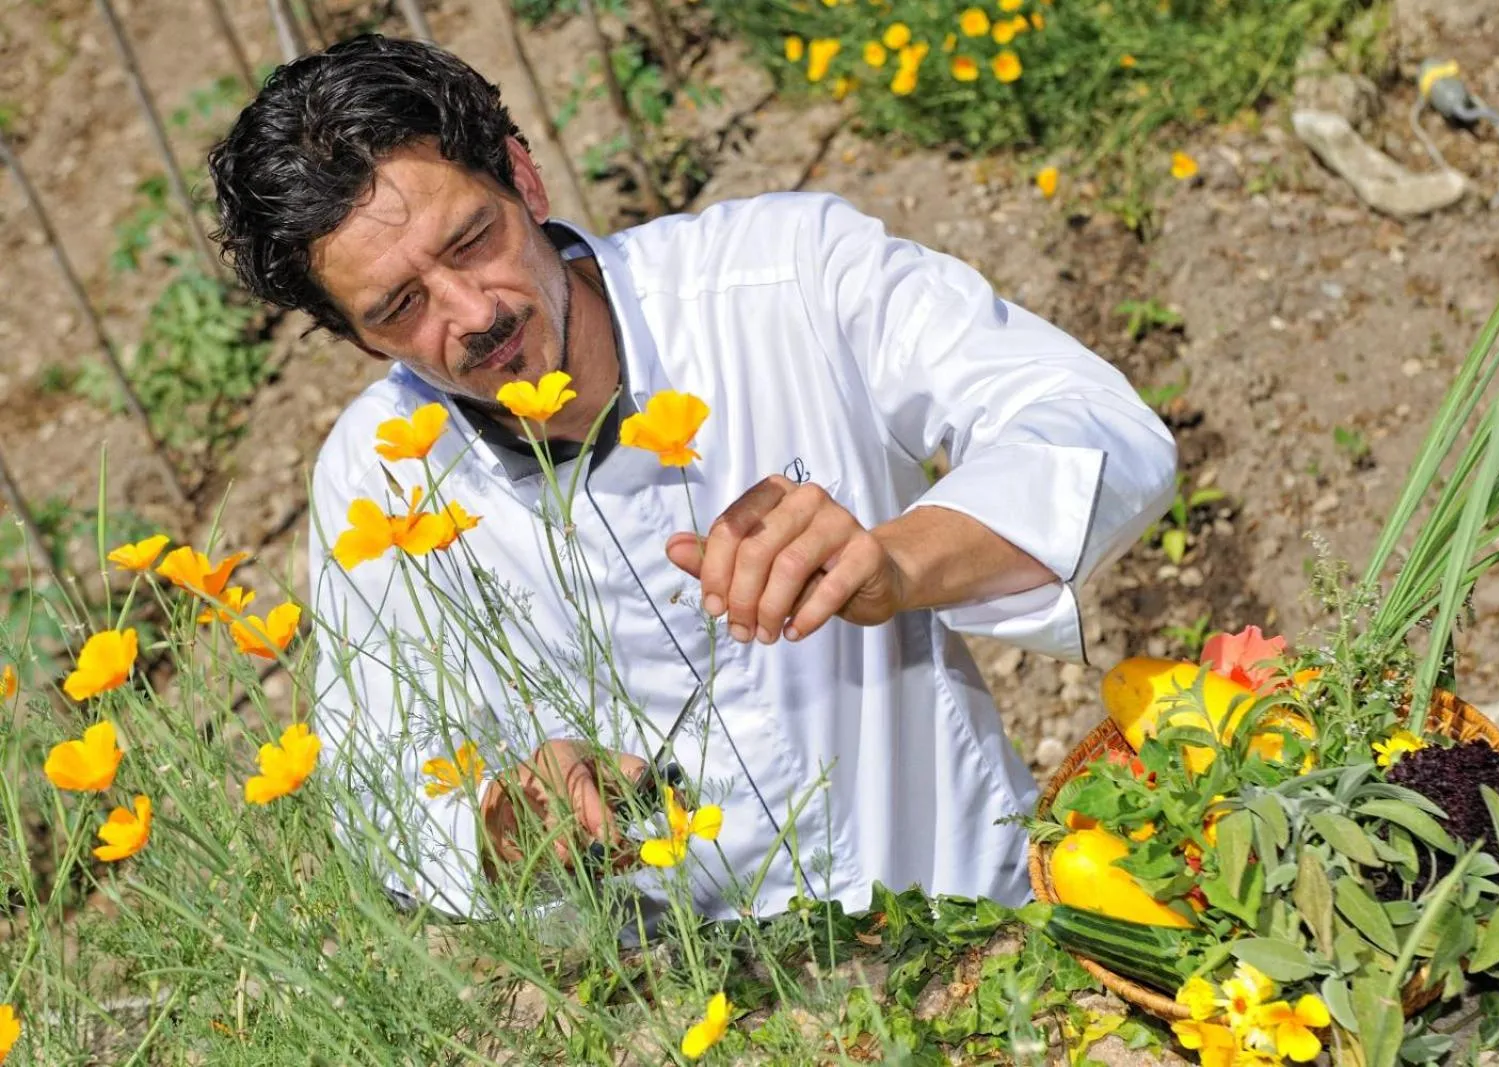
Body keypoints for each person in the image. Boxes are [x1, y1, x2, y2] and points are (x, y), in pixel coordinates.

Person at [207, 34, 1177, 923]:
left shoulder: (784, 272)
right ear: (354, 336)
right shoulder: (377, 474)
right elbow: (380, 787)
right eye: (400, 307)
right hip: (695, 1012)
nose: (469, 315)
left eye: (470, 242)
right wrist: (509, 820)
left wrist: (893, 561)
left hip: (983, 918)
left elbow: (1095, 429)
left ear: (522, 175)